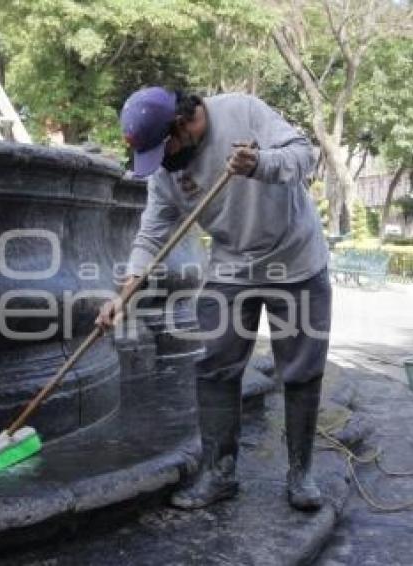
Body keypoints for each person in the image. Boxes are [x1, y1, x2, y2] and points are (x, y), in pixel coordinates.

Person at [96, 87, 331, 511]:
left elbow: (303, 156)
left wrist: (260, 163)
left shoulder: (242, 110)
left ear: (182, 125)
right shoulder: (167, 171)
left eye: (161, 150)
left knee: (300, 371)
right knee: (215, 367)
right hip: (231, 267)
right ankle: (219, 474)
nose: (161, 164)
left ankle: (300, 473)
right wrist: (127, 288)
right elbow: (154, 231)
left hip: (295, 261)